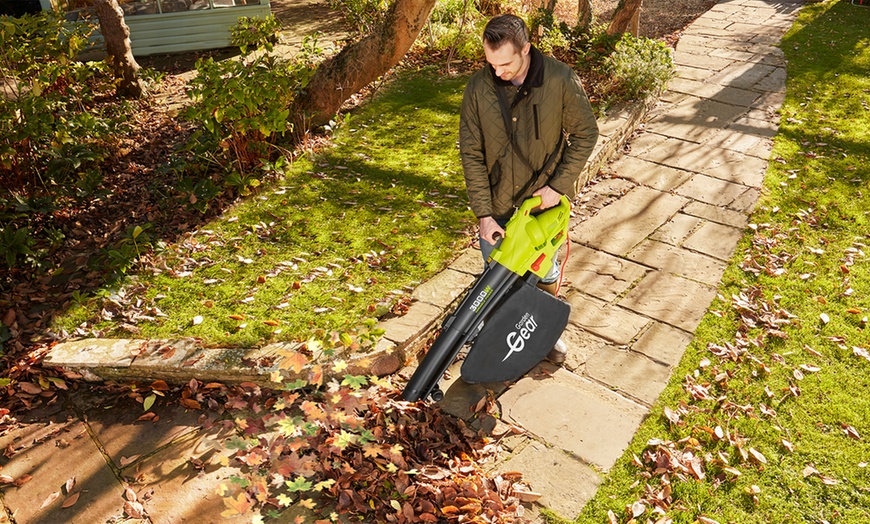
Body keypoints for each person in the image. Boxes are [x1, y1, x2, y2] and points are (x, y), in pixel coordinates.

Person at [459, 14, 599, 364]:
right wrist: (484, 214)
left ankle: (545, 333)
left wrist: (558, 186)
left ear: (526, 48)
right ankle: (500, 340)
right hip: (498, 207)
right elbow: (471, 152)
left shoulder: (560, 80)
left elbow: (586, 134)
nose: (498, 72)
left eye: (505, 63)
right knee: (496, 279)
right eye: (491, 63)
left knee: (545, 271)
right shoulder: (479, 88)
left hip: (541, 207)